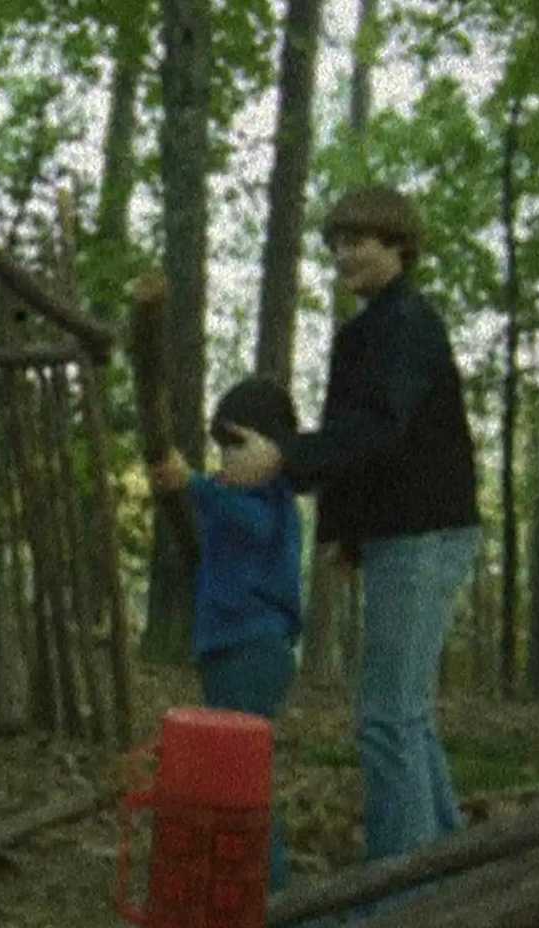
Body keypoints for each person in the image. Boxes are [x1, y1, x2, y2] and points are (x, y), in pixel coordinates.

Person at [216, 185, 481, 874]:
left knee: (385, 720)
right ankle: (451, 869)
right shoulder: (368, 330)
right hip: (403, 534)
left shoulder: (408, 324)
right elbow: (365, 440)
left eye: (360, 239)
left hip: (425, 535)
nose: (344, 254)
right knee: (407, 716)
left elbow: (384, 428)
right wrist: (352, 535)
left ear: (399, 244)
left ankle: (405, 892)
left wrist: (284, 456)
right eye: (336, 242)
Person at [148, 375, 303, 894]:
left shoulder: (273, 500)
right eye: (224, 446)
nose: (228, 458)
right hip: (229, 651)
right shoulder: (234, 497)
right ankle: (242, 889)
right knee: (232, 776)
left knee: (244, 781)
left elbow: (249, 525)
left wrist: (193, 484)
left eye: (239, 445)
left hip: (253, 651)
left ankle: (272, 896)